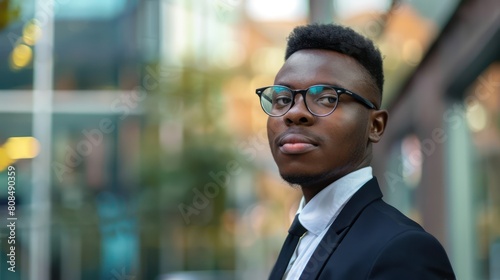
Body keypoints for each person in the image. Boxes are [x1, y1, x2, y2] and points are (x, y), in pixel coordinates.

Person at [255, 23, 456, 280]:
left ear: (375, 125)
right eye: (283, 99)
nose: (295, 113)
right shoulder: (301, 236)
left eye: (327, 97)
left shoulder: (404, 251)